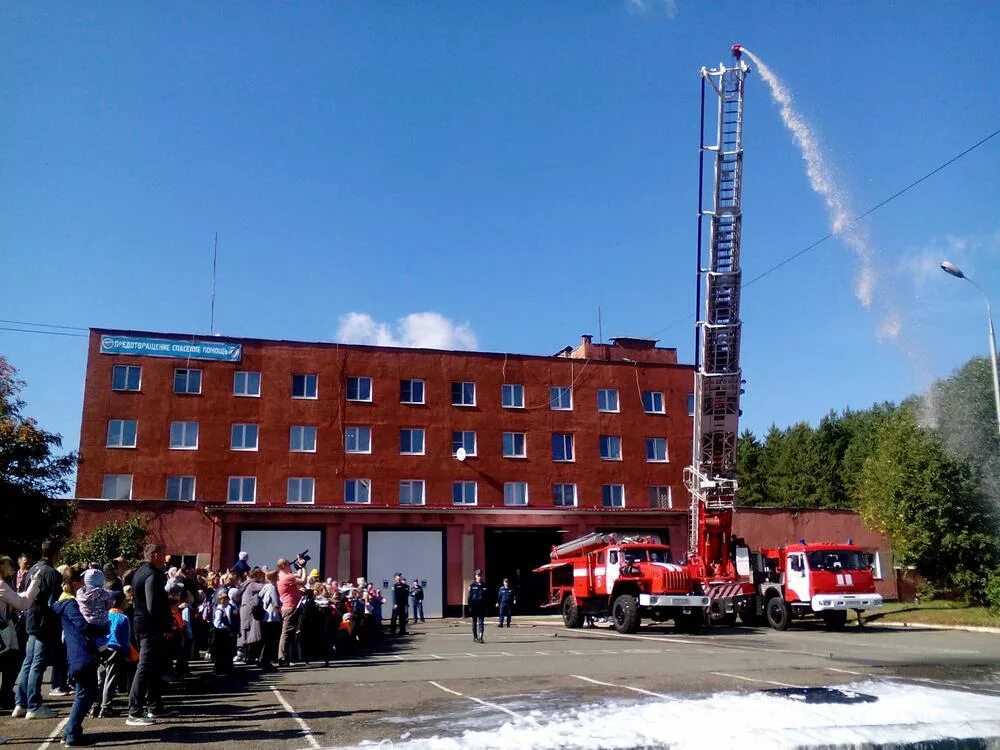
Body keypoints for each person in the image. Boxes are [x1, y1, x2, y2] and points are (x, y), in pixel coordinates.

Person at [53, 566, 105, 747]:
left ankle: (70, 732)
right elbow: (83, 626)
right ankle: (73, 734)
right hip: (81, 655)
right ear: (75, 584)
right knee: (86, 694)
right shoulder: (70, 605)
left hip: (77, 655)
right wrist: (104, 628)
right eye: (82, 581)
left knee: (84, 694)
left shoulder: (66, 603)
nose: (85, 584)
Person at [12, 540, 62, 720]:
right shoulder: (53, 573)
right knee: (37, 664)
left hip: (31, 619)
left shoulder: (32, 569)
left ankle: (21, 703)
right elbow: (54, 601)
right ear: (55, 553)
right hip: (44, 622)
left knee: (28, 661)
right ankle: (33, 704)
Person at [126, 543, 168, 726]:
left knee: (151, 666)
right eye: (163, 554)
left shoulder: (138, 572)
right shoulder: (152, 575)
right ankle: (134, 710)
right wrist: (165, 622)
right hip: (150, 626)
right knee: (145, 666)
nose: (165, 558)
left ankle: (154, 704)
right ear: (155, 555)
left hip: (140, 623)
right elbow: (152, 605)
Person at [0, 556, 40, 713]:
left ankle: (5, 696)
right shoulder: (2, 585)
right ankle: (5, 696)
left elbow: (18, 598)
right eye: (9, 565)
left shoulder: (4, 585)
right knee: (11, 662)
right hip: (3, 631)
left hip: (6, 629)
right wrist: (35, 583)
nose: (12, 567)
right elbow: (21, 604)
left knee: (12, 661)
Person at [94, 590, 130, 718]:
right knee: (111, 678)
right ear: (120, 603)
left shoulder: (104, 615)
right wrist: (126, 654)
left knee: (101, 677)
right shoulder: (123, 618)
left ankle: (95, 705)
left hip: (102, 647)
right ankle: (106, 706)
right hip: (115, 648)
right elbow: (125, 639)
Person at [276, 556, 307, 666]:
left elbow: (298, 575)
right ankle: (282, 658)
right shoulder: (287, 577)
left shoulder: (282, 575)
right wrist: (303, 567)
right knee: (286, 634)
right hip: (290, 607)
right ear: (284, 566)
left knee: (289, 634)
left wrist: (299, 565)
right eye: (289, 564)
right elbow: (303, 580)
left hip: (288, 607)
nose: (290, 566)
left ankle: (286, 657)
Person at [258, 570, 281, 671]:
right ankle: (265, 661)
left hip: (265, 617)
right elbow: (276, 603)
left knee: (266, 641)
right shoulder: (272, 588)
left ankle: (262, 660)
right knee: (270, 641)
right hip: (272, 617)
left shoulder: (265, 587)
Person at [211, 591, 237, 675]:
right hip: (221, 634)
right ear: (220, 600)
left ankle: (227, 667)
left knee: (226, 652)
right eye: (224, 599)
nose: (226, 601)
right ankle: (220, 668)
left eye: (226, 599)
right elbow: (217, 623)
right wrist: (225, 627)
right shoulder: (219, 610)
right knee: (221, 652)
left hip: (225, 634)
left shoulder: (226, 608)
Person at [467, 569, 487, 644]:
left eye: (480, 575)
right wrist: (469, 606)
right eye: (478, 575)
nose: (480, 577)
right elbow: (469, 597)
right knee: (474, 622)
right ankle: (475, 637)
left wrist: (486, 607)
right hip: (474, 606)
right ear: (475, 576)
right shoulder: (472, 586)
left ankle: (481, 637)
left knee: (481, 622)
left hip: (482, 606)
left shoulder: (484, 586)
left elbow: (487, 597)